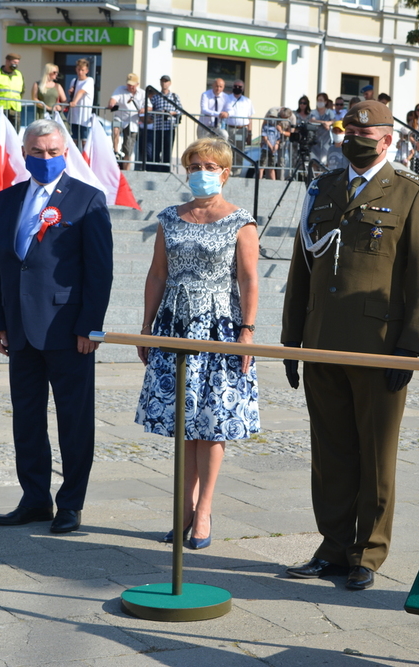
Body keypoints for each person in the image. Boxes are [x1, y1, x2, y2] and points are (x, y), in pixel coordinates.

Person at [281, 100, 419, 591]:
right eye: (348, 128)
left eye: (364, 130)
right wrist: (293, 341)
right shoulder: (323, 188)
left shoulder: (412, 192)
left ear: (387, 138)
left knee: (376, 454)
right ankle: (333, 546)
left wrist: (411, 348)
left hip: (379, 345)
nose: (353, 136)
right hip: (323, 340)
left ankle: (368, 553)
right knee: (330, 451)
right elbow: (301, 269)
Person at [0, 118, 114, 534]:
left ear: (66, 153)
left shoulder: (87, 200)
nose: (45, 158)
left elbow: (100, 271)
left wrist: (90, 327)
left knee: (74, 421)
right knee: (27, 419)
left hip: (68, 330)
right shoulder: (6, 200)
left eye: (53, 152)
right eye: (37, 152)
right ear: (24, 154)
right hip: (18, 330)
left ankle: (70, 503)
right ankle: (35, 498)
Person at [135, 137, 260, 549]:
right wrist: (147, 325)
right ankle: (183, 508)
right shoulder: (169, 217)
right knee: (182, 423)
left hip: (219, 326)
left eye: (209, 165)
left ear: (225, 172)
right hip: (174, 322)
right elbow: (157, 273)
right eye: (194, 165)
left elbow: (248, 279)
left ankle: (204, 509)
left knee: (212, 420)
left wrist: (247, 330)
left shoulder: (240, 220)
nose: (200, 172)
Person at [108, 73, 145, 169]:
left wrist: (144, 110)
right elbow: (112, 100)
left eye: (132, 84)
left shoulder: (142, 93)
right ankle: (115, 151)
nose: (130, 86)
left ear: (137, 84)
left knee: (128, 149)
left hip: (133, 122)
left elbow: (148, 106)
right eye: (129, 84)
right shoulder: (120, 89)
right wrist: (112, 104)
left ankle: (126, 170)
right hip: (119, 117)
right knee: (115, 128)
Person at [148, 75, 181, 172]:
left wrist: (169, 113)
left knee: (167, 152)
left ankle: (166, 170)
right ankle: (156, 170)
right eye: (162, 81)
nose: (164, 83)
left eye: (166, 81)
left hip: (169, 128)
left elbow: (180, 110)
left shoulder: (174, 97)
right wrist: (159, 113)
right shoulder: (156, 97)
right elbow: (150, 111)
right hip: (157, 128)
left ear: (170, 83)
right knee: (156, 151)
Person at [220, 79, 254, 156]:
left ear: (243, 88)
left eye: (240, 86)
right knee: (228, 150)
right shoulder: (227, 98)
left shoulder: (247, 101)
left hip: (242, 130)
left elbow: (250, 118)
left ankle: (238, 168)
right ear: (232, 87)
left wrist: (249, 133)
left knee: (240, 152)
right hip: (229, 129)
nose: (237, 88)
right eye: (235, 86)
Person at [67, 59, 94, 151]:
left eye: (82, 70)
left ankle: (85, 159)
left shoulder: (89, 80)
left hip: (84, 117)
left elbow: (81, 91)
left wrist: (74, 101)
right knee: (74, 139)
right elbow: (74, 93)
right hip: (74, 116)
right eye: (79, 70)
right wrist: (70, 93)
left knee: (84, 140)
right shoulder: (74, 81)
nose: (80, 72)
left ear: (87, 71)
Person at [309, 92, 335, 167]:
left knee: (324, 161)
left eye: (321, 100)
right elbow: (312, 120)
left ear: (325, 102)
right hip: (315, 140)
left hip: (326, 140)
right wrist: (323, 122)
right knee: (314, 161)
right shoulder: (314, 112)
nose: (319, 102)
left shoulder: (329, 112)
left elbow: (334, 120)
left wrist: (329, 123)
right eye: (318, 100)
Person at [260, 113, 281, 180]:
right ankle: (258, 181)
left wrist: (276, 145)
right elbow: (264, 137)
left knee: (271, 167)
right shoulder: (265, 126)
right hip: (266, 148)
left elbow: (278, 139)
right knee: (262, 166)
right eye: (271, 117)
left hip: (274, 151)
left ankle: (273, 182)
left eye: (274, 117)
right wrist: (270, 146)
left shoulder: (277, 127)